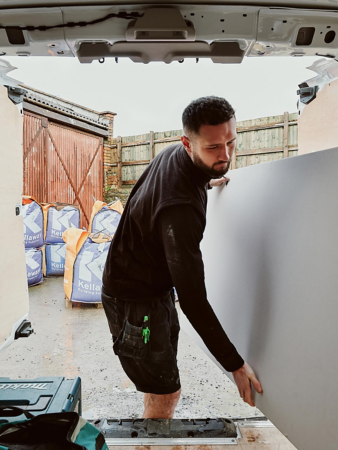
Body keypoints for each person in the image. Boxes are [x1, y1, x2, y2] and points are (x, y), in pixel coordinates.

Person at [101, 96, 263, 419]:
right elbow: (192, 300)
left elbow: (189, 180)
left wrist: (208, 180)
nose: (226, 155)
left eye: (230, 142)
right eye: (213, 148)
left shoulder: (178, 157)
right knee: (166, 392)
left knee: (158, 376)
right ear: (187, 143)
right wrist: (235, 363)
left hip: (148, 284)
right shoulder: (180, 210)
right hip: (134, 299)